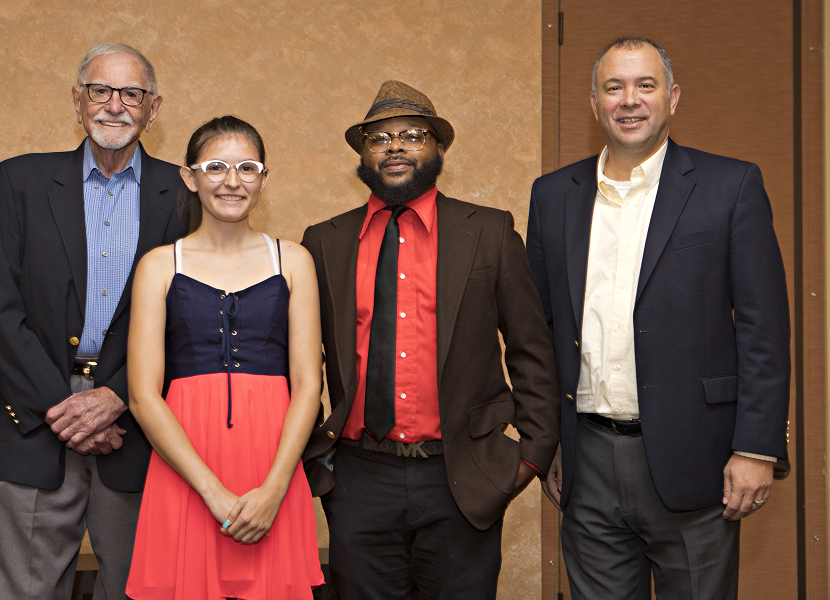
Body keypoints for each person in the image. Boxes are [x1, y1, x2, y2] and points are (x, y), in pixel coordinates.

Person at [525, 35, 791, 599]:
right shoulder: (553, 196)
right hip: (588, 458)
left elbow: (764, 328)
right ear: (594, 103)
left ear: (672, 98)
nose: (629, 100)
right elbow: (540, 330)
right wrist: (548, 439)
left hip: (699, 457)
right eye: (613, 87)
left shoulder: (730, 186)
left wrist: (756, 448)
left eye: (645, 85)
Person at [301, 80, 561, 599]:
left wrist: (530, 456)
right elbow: (301, 360)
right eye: (379, 137)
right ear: (363, 153)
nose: (395, 146)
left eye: (413, 134)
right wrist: (315, 461)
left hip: (461, 475)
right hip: (358, 478)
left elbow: (533, 348)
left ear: (438, 148)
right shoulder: (324, 242)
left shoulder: (488, 232)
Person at [0, 42, 186, 599]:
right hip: (36, 416)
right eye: (101, 90)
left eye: (131, 93)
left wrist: (118, 396)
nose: (115, 105)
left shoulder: (183, 194)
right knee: (30, 591)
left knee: (143, 590)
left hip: (138, 421)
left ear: (153, 107)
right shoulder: (21, 181)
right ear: (78, 99)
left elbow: (187, 320)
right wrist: (64, 409)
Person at [124, 115, 324, 599]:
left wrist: (275, 489)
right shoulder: (158, 265)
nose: (232, 181)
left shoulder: (294, 260)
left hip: (273, 465)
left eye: (248, 168)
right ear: (190, 177)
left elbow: (309, 385)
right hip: (185, 468)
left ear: (263, 179)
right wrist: (212, 493)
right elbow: (142, 396)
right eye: (216, 166)